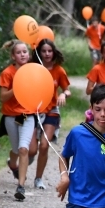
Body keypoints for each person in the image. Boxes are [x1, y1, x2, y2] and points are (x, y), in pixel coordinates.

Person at [30, 39, 71, 190]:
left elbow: (67, 89)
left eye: (49, 51)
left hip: (52, 110)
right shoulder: (33, 68)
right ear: (39, 53)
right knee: (32, 149)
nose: (47, 54)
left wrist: (63, 95)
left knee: (45, 146)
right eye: (44, 51)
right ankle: (24, 158)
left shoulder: (59, 70)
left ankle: (38, 178)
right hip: (33, 110)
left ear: (53, 52)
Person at [0, 40, 35, 201]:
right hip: (11, 116)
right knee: (15, 148)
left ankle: (21, 185)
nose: (22, 54)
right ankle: (12, 164)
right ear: (13, 56)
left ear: (29, 54)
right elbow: (3, 97)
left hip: (27, 115)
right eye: (19, 52)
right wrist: (17, 87)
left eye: (25, 51)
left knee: (23, 149)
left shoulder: (34, 71)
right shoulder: (7, 73)